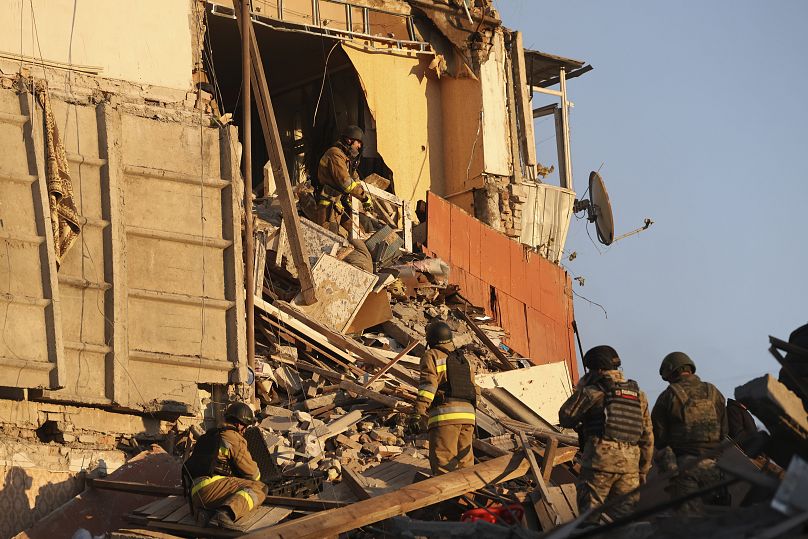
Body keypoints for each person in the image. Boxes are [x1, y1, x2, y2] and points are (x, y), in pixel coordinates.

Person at [558, 345, 653, 523]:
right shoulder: (638, 396)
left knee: (589, 520)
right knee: (624, 524)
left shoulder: (592, 392)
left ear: (598, 370)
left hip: (599, 464)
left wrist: (581, 389)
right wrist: (642, 470)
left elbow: (565, 417)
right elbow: (647, 437)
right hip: (629, 469)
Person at [651, 352, 729, 514]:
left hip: (683, 468)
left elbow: (660, 438)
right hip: (713, 467)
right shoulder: (714, 392)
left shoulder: (668, 396)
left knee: (688, 523)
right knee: (716, 521)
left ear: (671, 372)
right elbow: (724, 431)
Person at [182, 402, 267, 529]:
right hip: (211, 487)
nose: (244, 431)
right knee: (259, 488)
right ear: (239, 425)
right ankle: (225, 514)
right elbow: (252, 473)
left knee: (233, 490)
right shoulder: (232, 436)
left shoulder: (210, 435)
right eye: (245, 427)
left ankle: (207, 513)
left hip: (195, 493)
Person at [411, 320, 479, 475]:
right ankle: (468, 495)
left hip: (446, 416)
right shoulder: (463, 359)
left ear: (431, 339)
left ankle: (449, 499)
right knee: (465, 462)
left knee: (444, 462)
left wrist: (418, 411)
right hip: (468, 417)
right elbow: (475, 390)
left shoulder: (432, 355)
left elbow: (429, 386)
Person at [314, 125, 374, 271]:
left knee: (359, 230)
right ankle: (327, 271)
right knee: (329, 241)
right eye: (358, 142)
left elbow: (355, 179)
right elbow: (346, 183)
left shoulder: (346, 158)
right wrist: (364, 198)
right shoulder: (335, 155)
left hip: (340, 203)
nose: (359, 146)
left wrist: (366, 198)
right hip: (329, 205)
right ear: (349, 140)